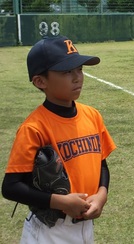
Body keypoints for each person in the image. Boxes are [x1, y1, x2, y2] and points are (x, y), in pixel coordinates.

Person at [1, 35, 116, 243]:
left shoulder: (92, 116)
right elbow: (11, 187)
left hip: (85, 226)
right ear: (40, 81)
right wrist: (59, 202)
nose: (77, 77)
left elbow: (102, 165)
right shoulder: (33, 128)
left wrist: (102, 194)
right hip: (50, 230)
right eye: (66, 72)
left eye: (79, 69)